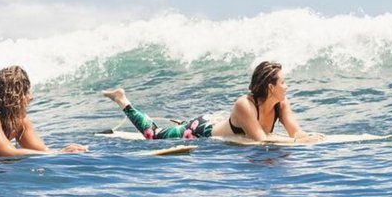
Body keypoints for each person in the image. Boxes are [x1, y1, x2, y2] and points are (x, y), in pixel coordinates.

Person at [102, 61, 325, 143]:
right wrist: (298, 143)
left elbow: (296, 133)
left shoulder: (281, 104)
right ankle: (122, 100)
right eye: (283, 83)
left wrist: (307, 138)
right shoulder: (244, 105)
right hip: (202, 130)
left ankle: (182, 122)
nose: (287, 87)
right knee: (154, 134)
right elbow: (261, 139)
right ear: (270, 87)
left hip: (220, 120)